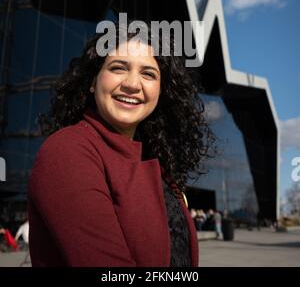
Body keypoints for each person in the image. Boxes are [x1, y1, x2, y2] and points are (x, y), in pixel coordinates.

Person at [28, 19, 214, 267]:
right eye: (118, 68)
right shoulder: (68, 150)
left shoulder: (153, 162)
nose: (132, 84)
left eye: (148, 73)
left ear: (161, 91)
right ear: (93, 82)